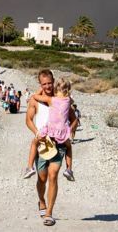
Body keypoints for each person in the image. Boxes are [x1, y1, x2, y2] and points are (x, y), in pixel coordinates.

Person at [25, 69, 78, 226]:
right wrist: (36, 133)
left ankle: (49, 213)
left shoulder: (62, 98)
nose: (47, 86)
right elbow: (28, 120)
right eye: (44, 84)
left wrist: (70, 131)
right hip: (43, 143)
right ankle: (41, 201)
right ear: (40, 84)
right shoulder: (35, 100)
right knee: (42, 178)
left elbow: (75, 119)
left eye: (49, 83)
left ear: (53, 81)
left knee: (53, 175)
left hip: (59, 142)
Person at [25, 77, 75, 181]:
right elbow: (72, 104)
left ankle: (30, 167)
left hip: (50, 131)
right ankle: (69, 169)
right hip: (62, 133)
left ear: (55, 90)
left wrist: (40, 89)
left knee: (35, 142)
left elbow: (35, 96)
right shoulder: (68, 100)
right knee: (69, 147)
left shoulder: (51, 100)